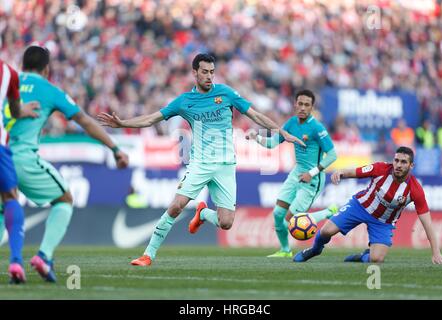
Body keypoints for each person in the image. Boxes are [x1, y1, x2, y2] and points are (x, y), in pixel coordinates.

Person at [97, 53, 304, 266]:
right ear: (194, 72)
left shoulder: (226, 94)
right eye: (204, 72)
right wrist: (123, 124)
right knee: (176, 206)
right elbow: (152, 118)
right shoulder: (184, 101)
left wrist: (281, 132)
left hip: (226, 166)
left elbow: (255, 115)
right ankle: (148, 255)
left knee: (226, 223)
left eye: (212, 72)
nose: (209, 76)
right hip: (200, 164)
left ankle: (203, 213)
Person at [1, 46, 129, 282]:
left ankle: (17, 263)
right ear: (47, 69)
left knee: (5, 208)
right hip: (22, 159)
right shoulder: (49, 90)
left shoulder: (9, 80)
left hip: (2, 154)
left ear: (23, 64)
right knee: (65, 198)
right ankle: (44, 256)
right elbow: (84, 122)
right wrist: (115, 148)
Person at [293, 146, 442, 265]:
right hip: (359, 207)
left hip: (383, 222)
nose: (398, 165)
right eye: (396, 160)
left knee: (376, 259)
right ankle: (314, 250)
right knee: (326, 231)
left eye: (403, 162)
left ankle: (363, 256)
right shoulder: (380, 168)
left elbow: (427, 223)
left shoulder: (415, 189)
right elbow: (356, 172)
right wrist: (340, 173)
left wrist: (436, 252)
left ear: (411, 165)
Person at [246, 89, 338, 257]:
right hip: (297, 172)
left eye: (307, 105)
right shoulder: (290, 124)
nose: (303, 107)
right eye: (300, 104)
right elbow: (273, 144)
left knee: (291, 219)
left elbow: (332, 155)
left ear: (312, 108)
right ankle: (285, 250)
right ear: (295, 104)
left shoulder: (317, 128)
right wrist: (255, 137)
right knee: (277, 214)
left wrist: (312, 172)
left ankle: (328, 212)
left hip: (312, 178)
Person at [0, 59, 40, 283]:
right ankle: (16, 261)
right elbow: (15, 110)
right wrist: (23, 110)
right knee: (10, 198)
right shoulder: (8, 72)